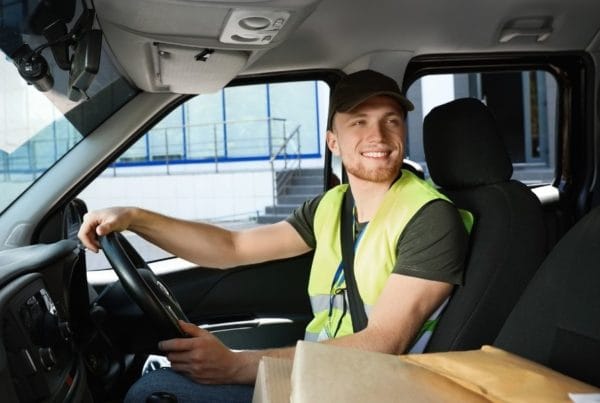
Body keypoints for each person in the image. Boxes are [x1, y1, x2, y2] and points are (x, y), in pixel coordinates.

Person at [78, 69, 470, 402]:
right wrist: (136, 217)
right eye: (359, 122)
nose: (380, 136)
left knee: (155, 392)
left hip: (375, 388)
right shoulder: (332, 205)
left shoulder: (430, 217)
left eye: (391, 120)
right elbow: (232, 248)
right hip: (324, 377)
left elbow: (382, 344)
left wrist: (235, 365)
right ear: (333, 141)